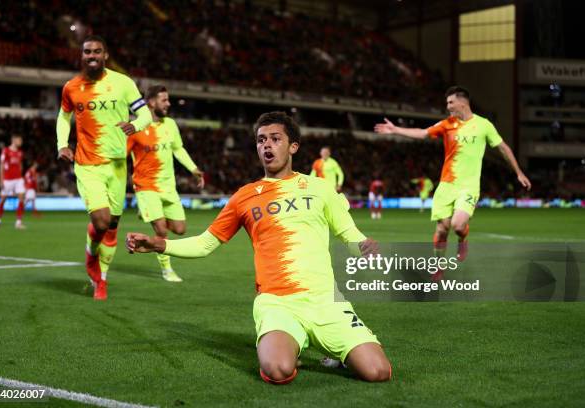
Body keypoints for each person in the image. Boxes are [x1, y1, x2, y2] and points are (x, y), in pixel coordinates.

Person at [127, 111, 391, 384]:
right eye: (261, 140)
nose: (267, 145)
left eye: (275, 139)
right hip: (278, 303)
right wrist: (160, 244)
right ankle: (288, 340)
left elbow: (349, 234)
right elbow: (205, 244)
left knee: (378, 372)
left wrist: (363, 247)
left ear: (293, 146)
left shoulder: (321, 188)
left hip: (325, 301)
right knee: (277, 369)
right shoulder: (244, 197)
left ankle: (325, 344)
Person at [374, 86, 531, 266]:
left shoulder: (484, 125)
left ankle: (463, 239)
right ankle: (438, 266)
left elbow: (503, 148)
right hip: (446, 185)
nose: (448, 106)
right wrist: (396, 130)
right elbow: (423, 132)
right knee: (442, 229)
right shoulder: (447, 125)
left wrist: (518, 172)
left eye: (451, 102)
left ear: (462, 103)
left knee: (457, 225)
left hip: (469, 187)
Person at [56, 35, 152, 300]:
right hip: (88, 164)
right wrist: (62, 144)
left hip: (118, 165)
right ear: (82, 55)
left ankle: (103, 279)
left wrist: (136, 125)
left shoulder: (123, 83)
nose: (92, 56)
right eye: (87, 52)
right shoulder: (72, 87)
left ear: (105, 55)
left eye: (97, 51)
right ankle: (91, 260)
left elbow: (145, 113)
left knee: (112, 225)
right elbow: (63, 118)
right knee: (100, 220)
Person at [127, 85, 204, 282]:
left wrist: (194, 169)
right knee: (161, 230)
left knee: (180, 229)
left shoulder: (169, 124)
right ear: (151, 103)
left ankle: (149, 212)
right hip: (146, 186)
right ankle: (167, 269)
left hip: (168, 187)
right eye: (164, 100)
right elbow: (121, 155)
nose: (168, 104)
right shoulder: (135, 127)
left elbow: (178, 149)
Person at [0, 134, 26, 229]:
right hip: (7, 179)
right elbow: (1, 166)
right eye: (19, 140)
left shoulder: (20, 152)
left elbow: (20, 165)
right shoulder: (6, 151)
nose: (21, 142)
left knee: (21, 198)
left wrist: (21, 176)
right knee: (3, 199)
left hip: (18, 179)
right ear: (14, 140)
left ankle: (18, 222)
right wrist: (1, 180)